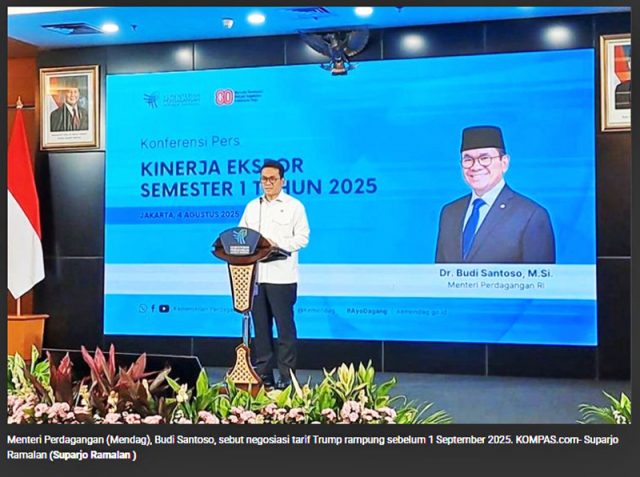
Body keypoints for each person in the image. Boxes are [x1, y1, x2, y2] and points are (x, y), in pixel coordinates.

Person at [435, 125, 555, 264]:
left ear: (504, 163)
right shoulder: (450, 212)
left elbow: (539, 276)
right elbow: (439, 273)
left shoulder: (531, 215)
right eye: (468, 160)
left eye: (484, 158)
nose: (475, 166)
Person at [239, 159, 310, 389]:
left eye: (272, 179)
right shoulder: (253, 206)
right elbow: (241, 235)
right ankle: (264, 376)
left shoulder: (294, 206)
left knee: (284, 329)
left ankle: (287, 379)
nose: (267, 183)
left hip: (282, 277)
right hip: (256, 277)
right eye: (264, 179)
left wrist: (276, 243)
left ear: (282, 181)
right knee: (261, 330)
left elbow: (303, 238)